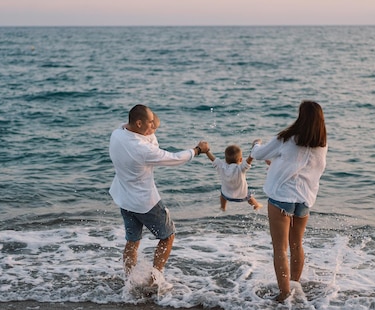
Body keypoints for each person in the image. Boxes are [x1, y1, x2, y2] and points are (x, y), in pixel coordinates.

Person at [109, 104, 210, 286]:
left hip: (124, 199)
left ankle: (129, 280)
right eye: (150, 123)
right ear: (139, 123)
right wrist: (197, 150)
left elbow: (129, 127)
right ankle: (155, 279)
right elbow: (174, 158)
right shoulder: (143, 149)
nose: (153, 125)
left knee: (132, 241)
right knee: (167, 236)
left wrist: (150, 127)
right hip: (145, 202)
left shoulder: (117, 134)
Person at [250, 101, 328, 302]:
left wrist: (256, 143)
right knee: (296, 245)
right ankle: (294, 284)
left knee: (279, 248)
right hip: (304, 199)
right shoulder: (321, 144)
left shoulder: (287, 138)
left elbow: (258, 154)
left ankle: (284, 294)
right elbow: (299, 165)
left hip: (282, 198)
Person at [205, 144, 263, 211]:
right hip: (242, 195)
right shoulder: (241, 168)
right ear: (240, 159)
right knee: (249, 196)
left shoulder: (221, 166)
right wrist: (253, 153)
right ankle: (256, 205)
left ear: (225, 159)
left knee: (222, 194)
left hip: (226, 195)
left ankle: (223, 207)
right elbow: (248, 161)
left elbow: (213, 159)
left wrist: (207, 152)